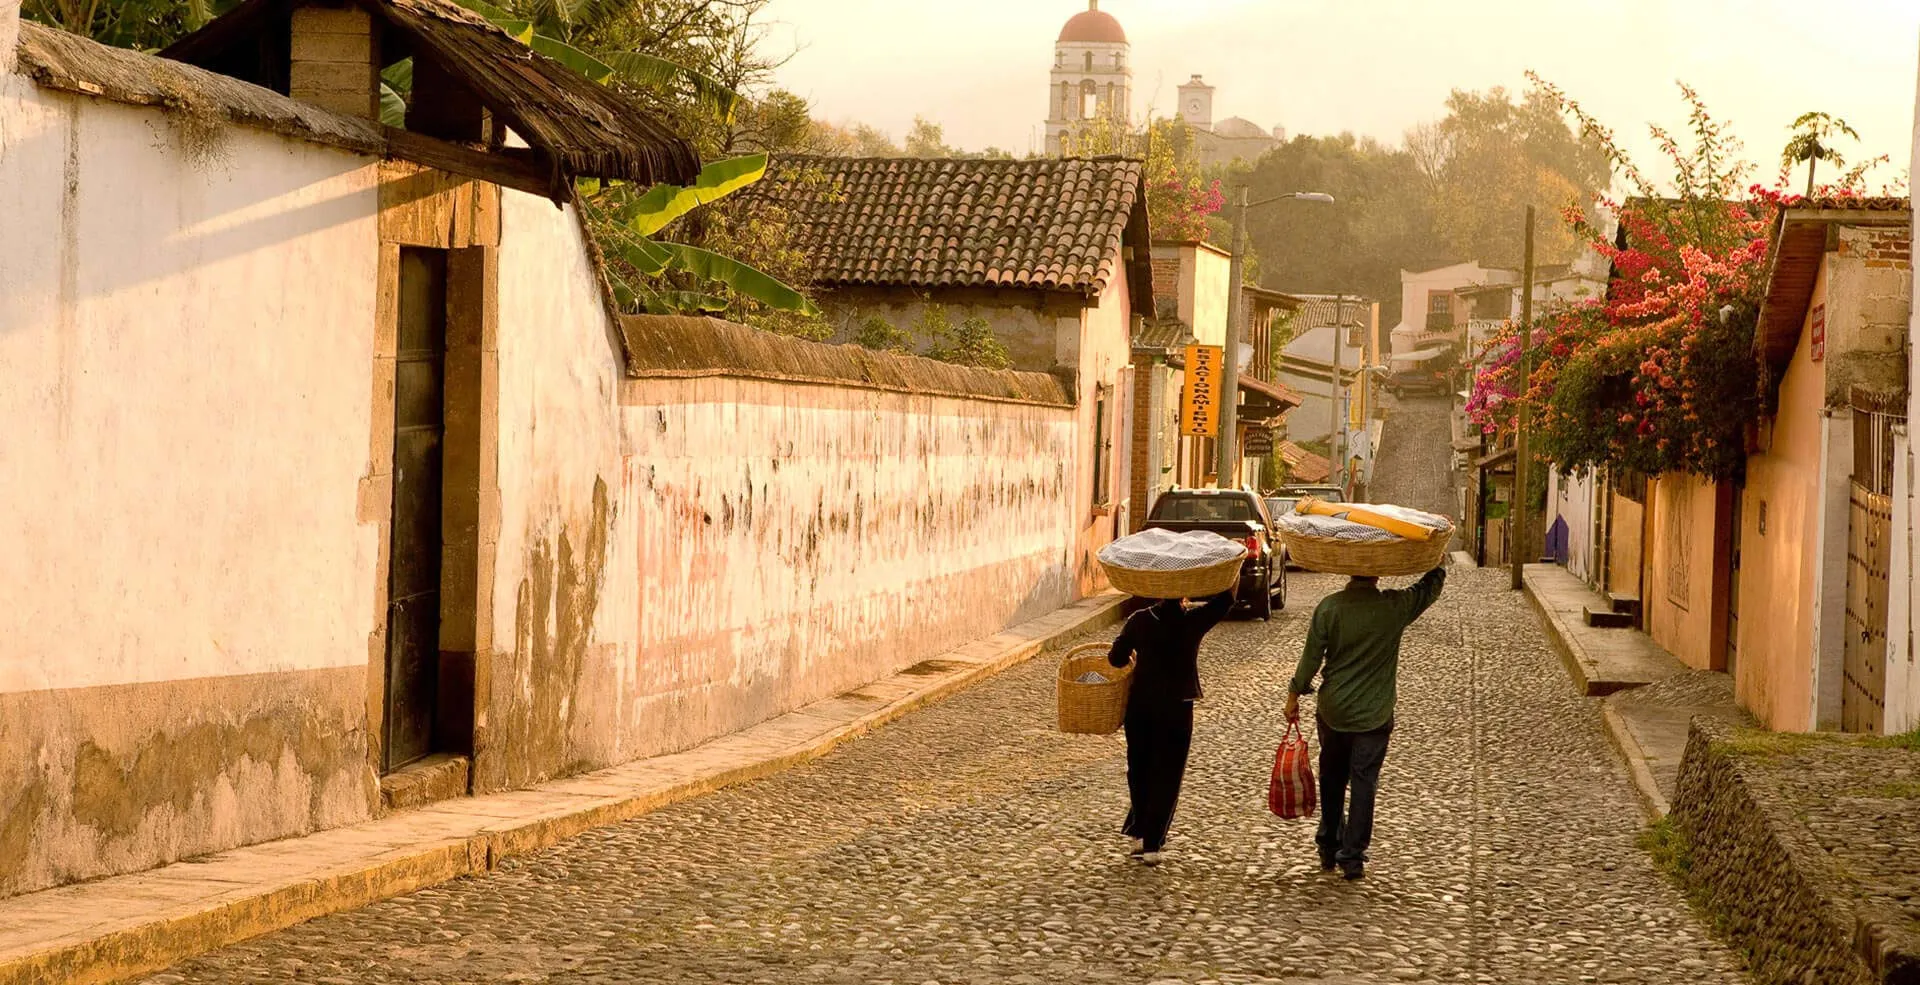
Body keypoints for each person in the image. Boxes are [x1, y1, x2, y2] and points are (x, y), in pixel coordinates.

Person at [1285, 565, 1447, 880]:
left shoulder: (1329, 607)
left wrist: (1294, 695)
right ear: (1377, 574)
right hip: (1374, 715)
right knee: (1363, 782)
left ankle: (1329, 845)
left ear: (1349, 570)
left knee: (1331, 778)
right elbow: (1427, 592)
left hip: (1334, 711)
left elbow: (1310, 660)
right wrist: (1436, 565)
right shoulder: (1393, 606)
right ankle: (1353, 856)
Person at [1107, 586, 1236, 865]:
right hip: (1176, 708)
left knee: (1139, 770)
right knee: (1168, 774)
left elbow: (1115, 658)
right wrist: (1222, 574)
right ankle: (1152, 842)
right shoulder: (1192, 621)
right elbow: (1226, 599)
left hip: (1141, 708)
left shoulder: (1139, 620)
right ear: (1184, 593)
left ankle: (1140, 832)